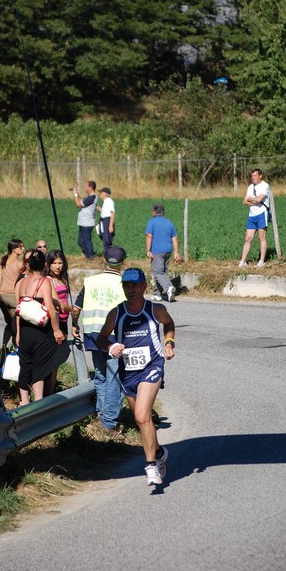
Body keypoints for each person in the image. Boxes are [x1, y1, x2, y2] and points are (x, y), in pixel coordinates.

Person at [97, 267, 175, 486]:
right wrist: (111, 347)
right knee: (142, 421)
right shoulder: (116, 313)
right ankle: (158, 452)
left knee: (142, 416)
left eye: (134, 285)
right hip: (128, 372)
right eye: (126, 286)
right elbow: (101, 339)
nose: (130, 290)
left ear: (143, 286)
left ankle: (151, 466)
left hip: (152, 366)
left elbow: (169, 324)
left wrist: (169, 343)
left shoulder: (155, 309)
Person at [72, 245, 127, 433]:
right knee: (114, 378)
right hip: (114, 337)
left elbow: (76, 308)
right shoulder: (124, 284)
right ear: (123, 263)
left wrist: (73, 324)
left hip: (92, 335)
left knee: (101, 375)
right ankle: (109, 422)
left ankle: (102, 414)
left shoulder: (91, 281)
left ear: (104, 260)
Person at [15, 250, 69, 406]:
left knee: (25, 364)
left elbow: (19, 310)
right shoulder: (45, 281)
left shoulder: (21, 282)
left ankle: (24, 401)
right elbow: (51, 308)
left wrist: (18, 332)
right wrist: (57, 329)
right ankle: (38, 401)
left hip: (25, 329)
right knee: (40, 364)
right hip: (39, 329)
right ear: (45, 264)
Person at [43, 249, 71, 396]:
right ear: (48, 264)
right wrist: (73, 309)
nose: (57, 266)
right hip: (56, 322)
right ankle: (48, 393)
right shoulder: (49, 280)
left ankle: (52, 391)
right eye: (54, 263)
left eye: (60, 263)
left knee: (58, 361)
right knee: (53, 361)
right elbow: (57, 304)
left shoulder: (63, 279)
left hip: (64, 321)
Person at [145, 203, 180, 302]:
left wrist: (148, 250)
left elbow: (149, 236)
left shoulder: (151, 222)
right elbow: (175, 238)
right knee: (162, 272)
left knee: (158, 272)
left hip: (157, 251)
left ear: (154, 212)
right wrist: (176, 253)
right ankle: (157, 294)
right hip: (168, 251)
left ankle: (168, 288)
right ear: (163, 212)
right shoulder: (170, 223)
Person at [238, 168, 271, 268]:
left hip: (262, 213)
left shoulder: (265, 186)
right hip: (252, 215)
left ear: (260, 176)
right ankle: (242, 261)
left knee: (262, 237)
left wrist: (250, 199)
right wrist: (253, 200)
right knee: (248, 238)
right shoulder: (250, 187)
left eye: (255, 175)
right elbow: (244, 201)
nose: (253, 178)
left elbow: (258, 200)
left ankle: (261, 261)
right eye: (252, 176)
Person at [0, 239, 24, 347]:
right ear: (14, 249)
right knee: (16, 324)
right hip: (12, 297)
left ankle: (3, 347)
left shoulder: (2, 261)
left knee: (9, 323)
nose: (23, 249)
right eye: (21, 247)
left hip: (2, 296)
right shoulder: (19, 264)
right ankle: (15, 347)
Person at [72, 180, 98, 259]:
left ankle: (91, 256)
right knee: (80, 241)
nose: (85, 188)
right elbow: (81, 201)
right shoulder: (89, 197)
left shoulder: (92, 196)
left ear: (90, 187)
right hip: (83, 222)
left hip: (87, 223)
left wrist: (75, 195)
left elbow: (78, 204)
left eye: (86, 186)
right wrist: (77, 193)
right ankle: (88, 254)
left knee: (87, 241)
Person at [97, 187, 115, 251]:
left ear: (105, 194)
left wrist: (110, 225)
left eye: (101, 192)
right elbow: (106, 212)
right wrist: (100, 209)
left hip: (107, 221)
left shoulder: (109, 201)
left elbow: (112, 213)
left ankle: (108, 255)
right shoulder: (105, 201)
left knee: (107, 240)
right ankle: (107, 254)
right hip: (103, 221)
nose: (99, 194)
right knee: (104, 238)